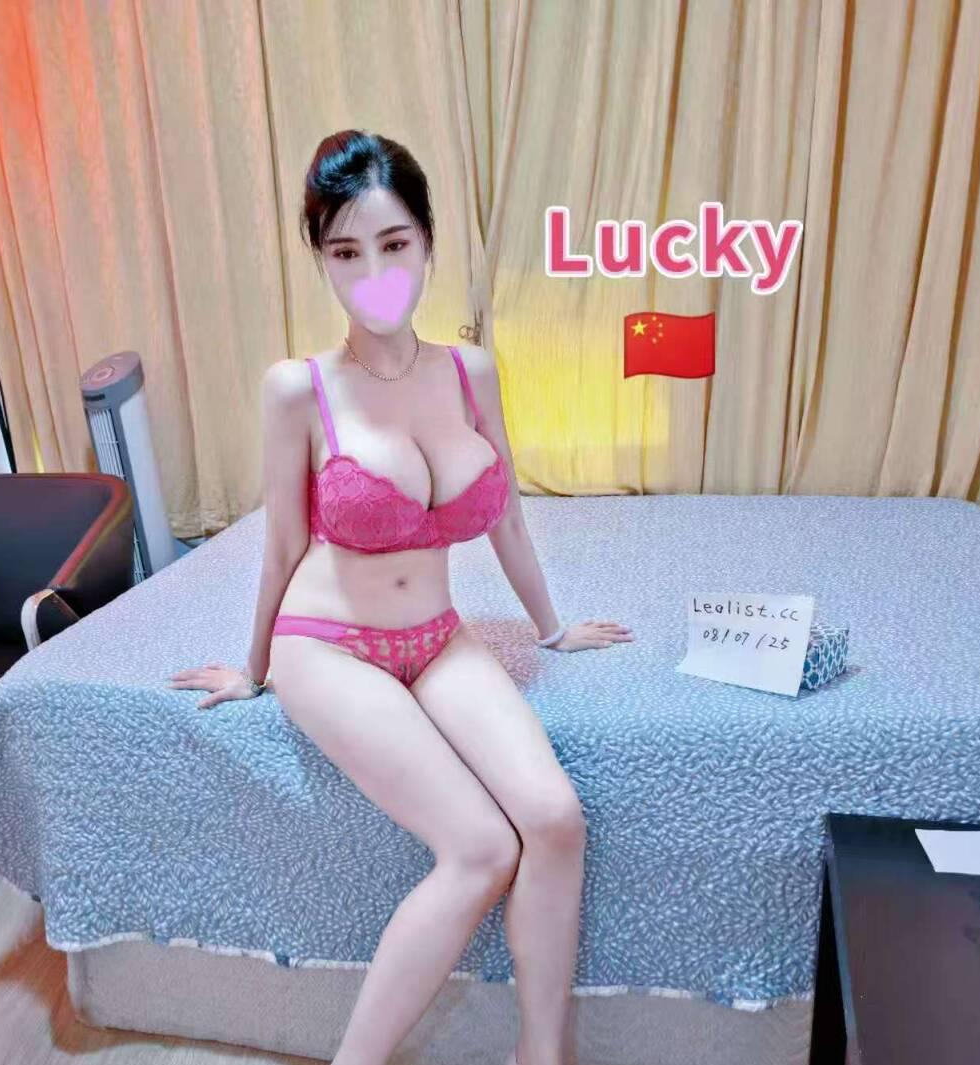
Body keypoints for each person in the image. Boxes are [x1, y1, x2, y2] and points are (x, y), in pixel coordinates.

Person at [167, 129, 633, 1065]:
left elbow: (505, 514)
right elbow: (283, 541)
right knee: (481, 848)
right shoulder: (299, 389)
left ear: (427, 242)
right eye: (346, 253)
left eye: (393, 245)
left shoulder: (468, 371)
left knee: (555, 819)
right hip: (327, 643)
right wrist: (253, 669)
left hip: (438, 638)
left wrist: (551, 627)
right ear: (321, 259)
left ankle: (542, 1055)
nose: (373, 274)